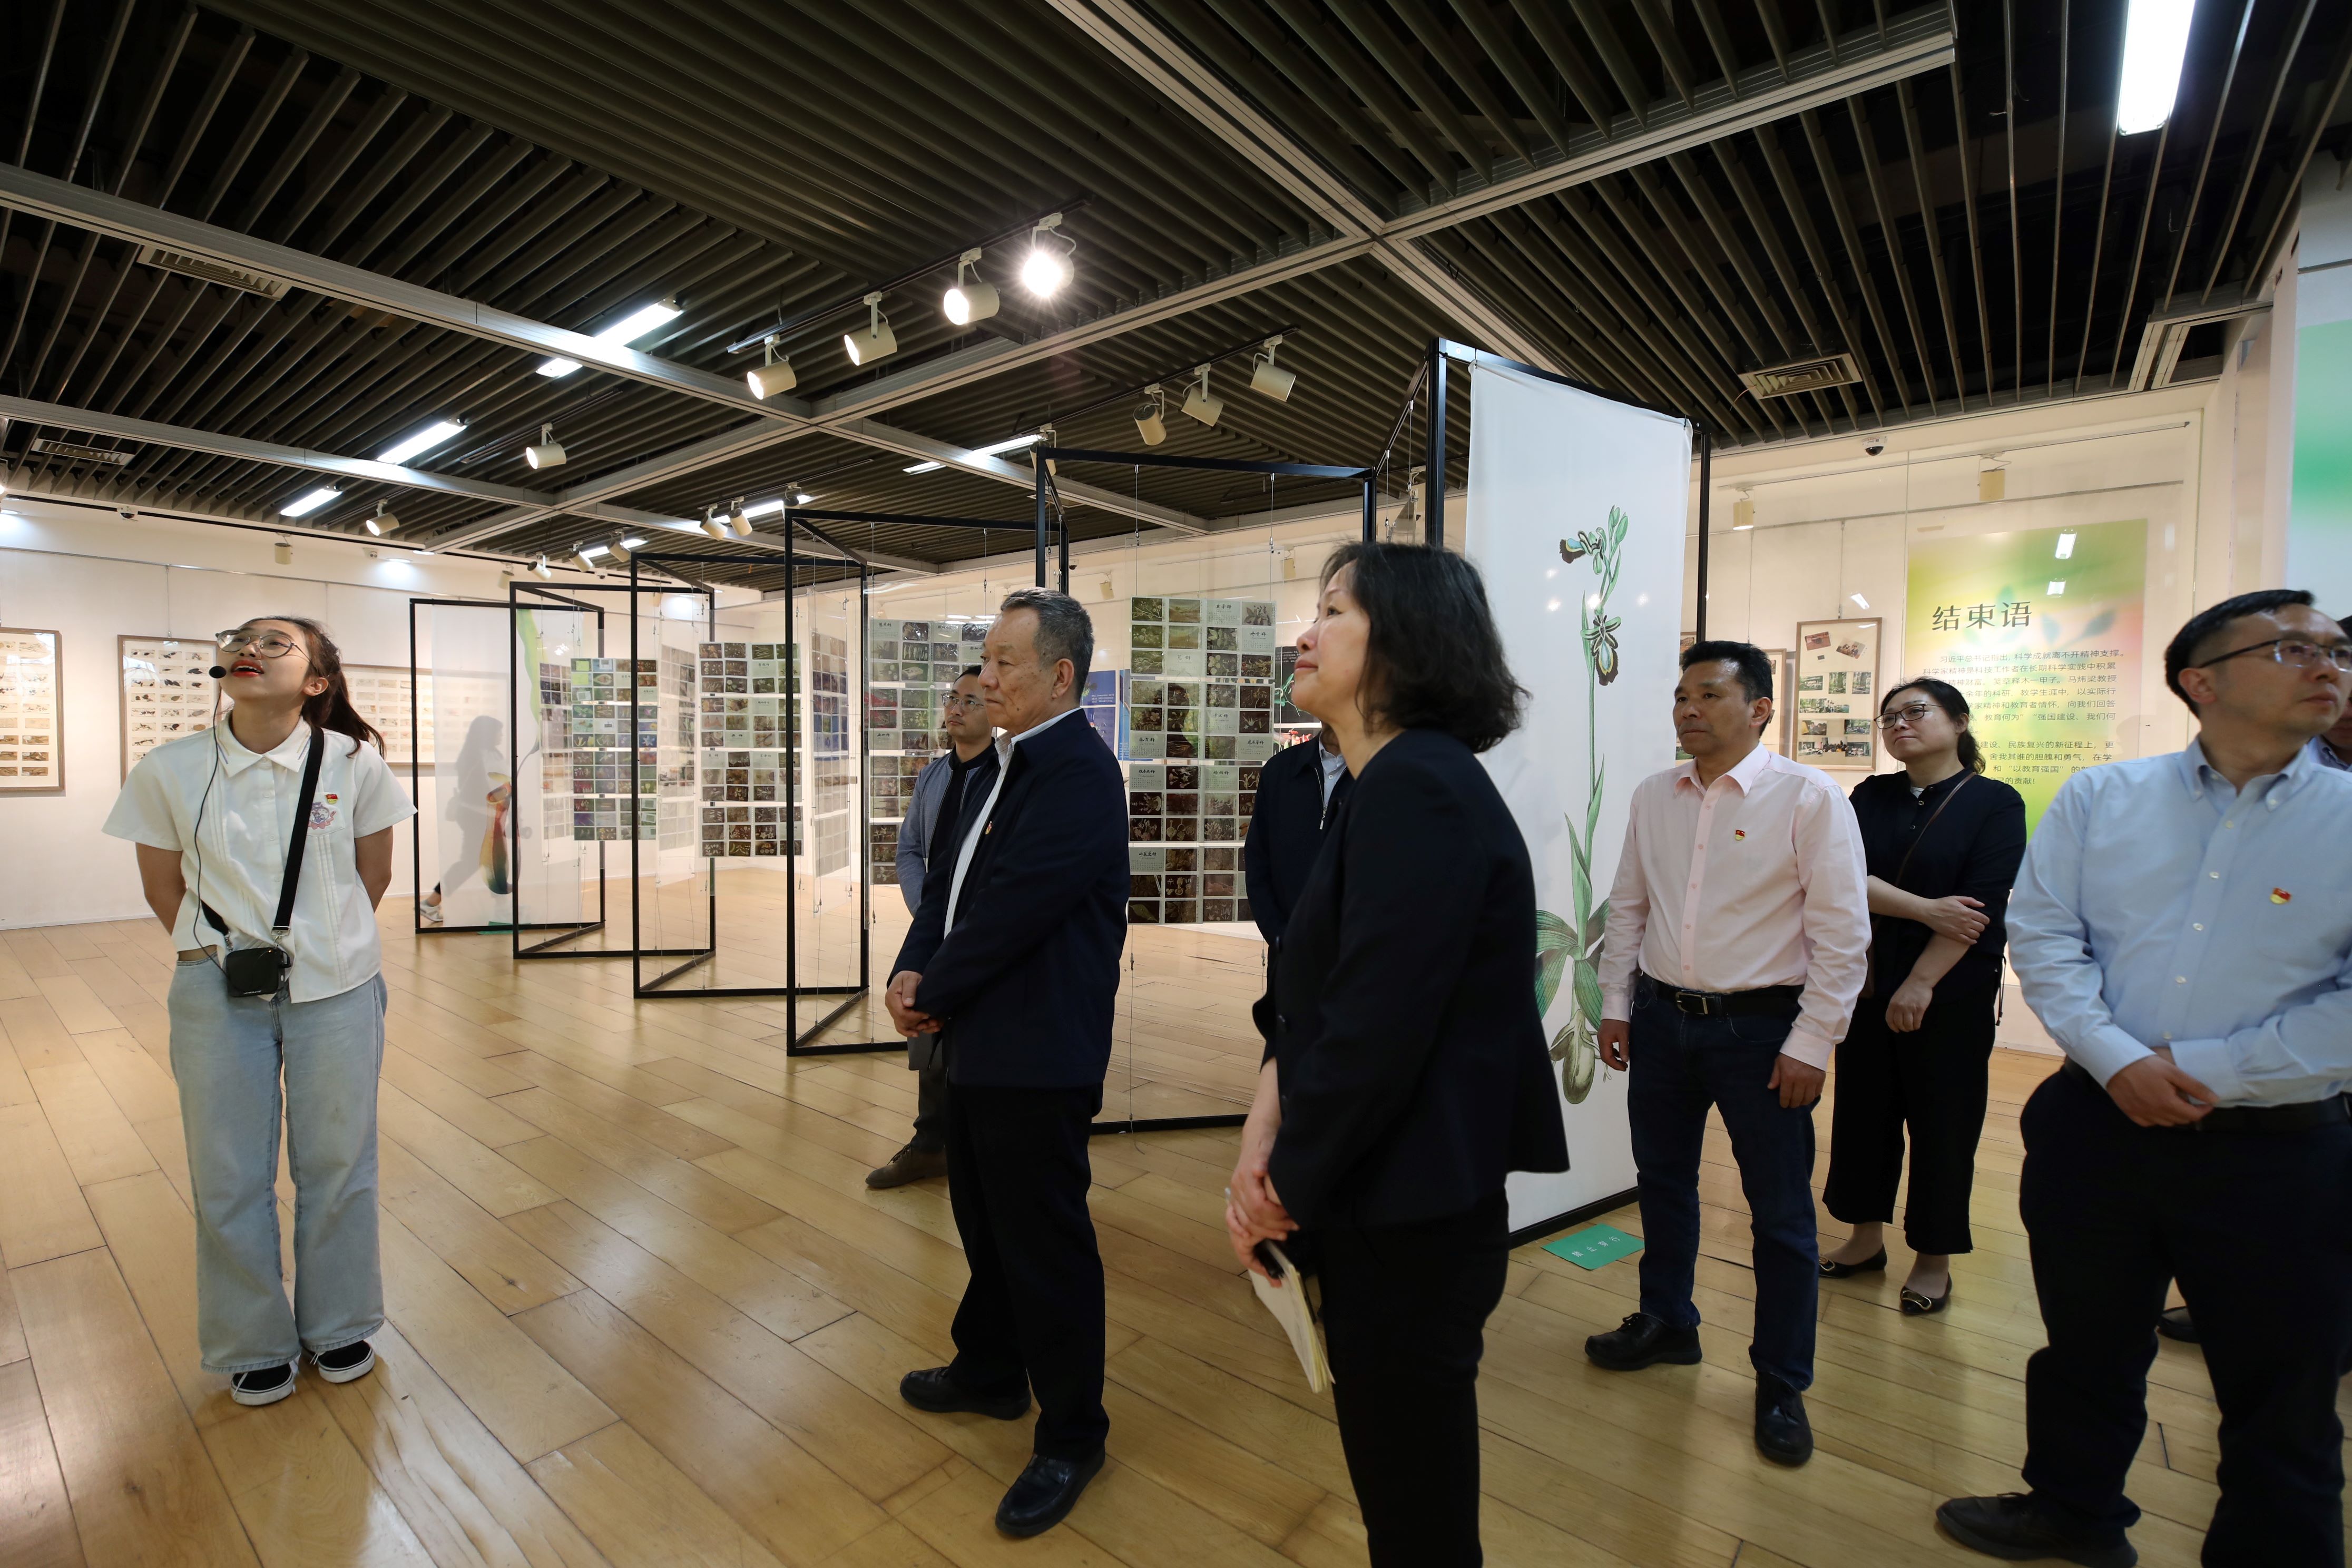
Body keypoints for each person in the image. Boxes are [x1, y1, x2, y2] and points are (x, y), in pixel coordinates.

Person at [1939, 589, 2352, 1568]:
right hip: (2096, 1128)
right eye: (2291, 648)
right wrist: (2116, 1060)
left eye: (2336, 650)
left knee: (2284, 1389)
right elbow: (2045, 936)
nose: (2327, 666)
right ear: (2199, 682)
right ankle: (2071, 1511)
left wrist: (2200, 1070)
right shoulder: (2103, 797)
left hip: (2279, 1150)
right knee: (2084, 1344)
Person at [1223, 542, 1567, 1567]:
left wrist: (1276, 1189)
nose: (1304, 635)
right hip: (1388, 1195)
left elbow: (1375, 1029)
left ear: (1406, 639)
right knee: (1398, 1480)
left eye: (1333, 611)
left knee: (1413, 1505)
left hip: (1409, 1210)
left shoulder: (1419, 785)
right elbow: (1317, 996)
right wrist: (1261, 1127)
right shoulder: (1385, 785)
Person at [103, 616, 413, 1406]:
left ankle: (340, 1324)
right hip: (216, 989)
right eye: (239, 638)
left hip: (339, 988)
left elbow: (372, 876)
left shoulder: (354, 763)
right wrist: (215, 952)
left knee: (339, 1162)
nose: (249, 648)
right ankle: (253, 1340)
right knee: (227, 1170)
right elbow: (162, 886)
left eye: (276, 642)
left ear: (316, 682)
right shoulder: (170, 767)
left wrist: (324, 942)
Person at [1584, 640, 1870, 1467]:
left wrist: (1813, 1041)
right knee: (1663, 1181)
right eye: (1682, 696)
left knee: (1779, 1213)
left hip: (1764, 1033)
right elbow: (1628, 907)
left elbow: (1841, 933)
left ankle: (1781, 1380)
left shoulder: (1810, 797)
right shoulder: (1655, 794)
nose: (1689, 709)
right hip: (1663, 1020)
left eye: (1709, 694)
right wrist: (1616, 1004)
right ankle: (1668, 1321)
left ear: (1760, 708)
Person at [883, 589, 1128, 1539]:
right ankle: (990, 1370)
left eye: (1003, 663)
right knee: (983, 1220)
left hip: (1038, 1052)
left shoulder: (1079, 777)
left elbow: (1015, 910)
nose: (984, 678)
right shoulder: (1004, 765)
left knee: (1044, 1245)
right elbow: (947, 884)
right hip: (981, 1041)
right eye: (984, 660)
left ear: (1060, 676)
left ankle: (1072, 1433)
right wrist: (910, 967)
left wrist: (932, 990)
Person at [1819, 679, 2027, 1313]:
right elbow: (1841, 878)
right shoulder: (1871, 794)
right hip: (1868, 980)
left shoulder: (1995, 802)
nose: (1899, 724)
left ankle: (1934, 1258)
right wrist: (1926, 908)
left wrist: (1921, 982)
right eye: (1889, 717)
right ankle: (1864, 1240)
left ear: (1959, 721)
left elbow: (1978, 908)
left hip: (1950, 988)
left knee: (1944, 1123)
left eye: (1916, 711)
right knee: (1864, 1115)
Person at [867, 667, 997, 1189]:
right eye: (953, 698)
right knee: (924, 1023)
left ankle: (972, 1144)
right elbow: (909, 851)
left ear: (995, 711)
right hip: (935, 924)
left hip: (983, 928)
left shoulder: (1005, 777)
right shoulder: (933, 776)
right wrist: (930, 912)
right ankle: (930, 1143)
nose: (956, 709)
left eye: (971, 701)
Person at [1241, 722, 1350, 943]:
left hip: (1362, 950)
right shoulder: (1280, 769)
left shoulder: (1383, 772)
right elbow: (1258, 859)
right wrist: (1279, 936)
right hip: (1287, 943)